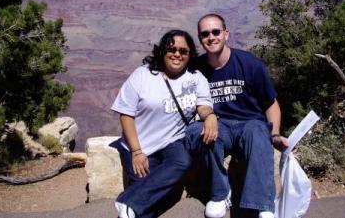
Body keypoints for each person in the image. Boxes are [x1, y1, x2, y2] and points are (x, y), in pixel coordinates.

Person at [186, 14, 289, 218]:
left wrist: (275, 133)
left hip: (248, 124)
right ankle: (219, 194)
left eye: (216, 32)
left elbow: (271, 103)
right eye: (205, 34)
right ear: (200, 39)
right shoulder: (196, 68)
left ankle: (263, 206)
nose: (211, 37)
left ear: (226, 34)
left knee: (260, 133)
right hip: (219, 124)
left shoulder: (249, 64)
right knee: (199, 131)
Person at [112, 29, 218, 218]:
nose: (177, 54)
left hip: (172, 141)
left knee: (182, 162)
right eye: (172, 49)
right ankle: (132, 204)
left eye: (183, 51)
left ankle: (126, 201)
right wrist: (137, 152)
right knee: (147, 197)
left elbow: (203, 106)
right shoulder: (143, 75)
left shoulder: (195, 78)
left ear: (190, 54)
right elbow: (125, 114)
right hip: (140, 144)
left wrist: (210, 117)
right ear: (162, 51)